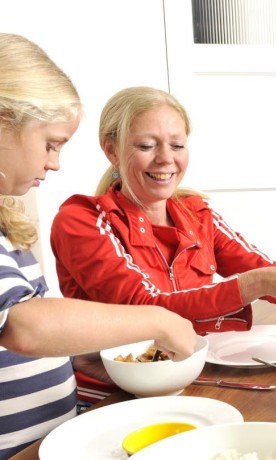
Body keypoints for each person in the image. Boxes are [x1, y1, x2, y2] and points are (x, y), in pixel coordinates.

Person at [49, 86, 276, 401]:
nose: (166, 158)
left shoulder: (195, 212)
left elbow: (259, 266)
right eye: (147, 145)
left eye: (177, 144)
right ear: (111, 150)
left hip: (192, 378)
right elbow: (146, 308)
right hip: (113, 395)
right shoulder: (82, 220)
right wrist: (258, 284)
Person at [0, 33, 198, 458]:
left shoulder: (5, 228)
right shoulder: (85, 217)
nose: (54, 162)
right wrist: (158, 321)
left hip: (46, 436)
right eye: (50, 143)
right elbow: (22, 325)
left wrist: (69, 354)